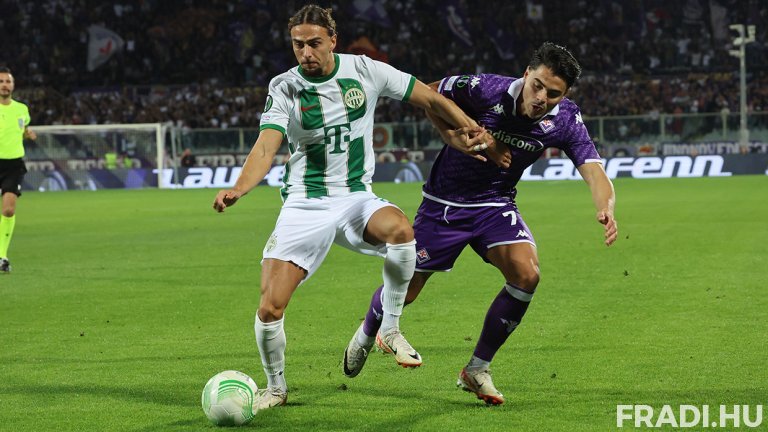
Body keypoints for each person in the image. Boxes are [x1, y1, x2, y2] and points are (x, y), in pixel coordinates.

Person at [212, 4, 485, 410]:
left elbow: (428, 96)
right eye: (298, 45)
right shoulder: (284, 86)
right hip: (305, 203)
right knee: (270, 307)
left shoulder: (364, 69)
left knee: (401, 232)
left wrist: (470, 128)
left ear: (333, 41)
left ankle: (389, 329)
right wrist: (239, 188)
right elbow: (267, 145)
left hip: (356, 196)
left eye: (314, 43)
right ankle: (276, 388)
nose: (306, 52)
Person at [343, 42, 618, 405]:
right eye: (537, 86)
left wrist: (606, 207)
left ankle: (477, 369)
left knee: (527, 275)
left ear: (563, 95)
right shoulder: (486, 89)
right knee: (406, 291)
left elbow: (594, 169)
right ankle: (367, 334)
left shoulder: (565, 118)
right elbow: (430, 93)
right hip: (445, 204)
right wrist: (451, 136)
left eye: (553, 94)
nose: (541, 98)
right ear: (526, 74)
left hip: (496, 204)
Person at [0, 67, 36, 274]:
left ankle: (2, 256)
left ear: (13, 85)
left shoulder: (22, 109)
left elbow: (20, 131)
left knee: (8, 210)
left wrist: (27, 135)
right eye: (1, 81)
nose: (4, 85)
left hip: (13, 165)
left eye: (8, 81)